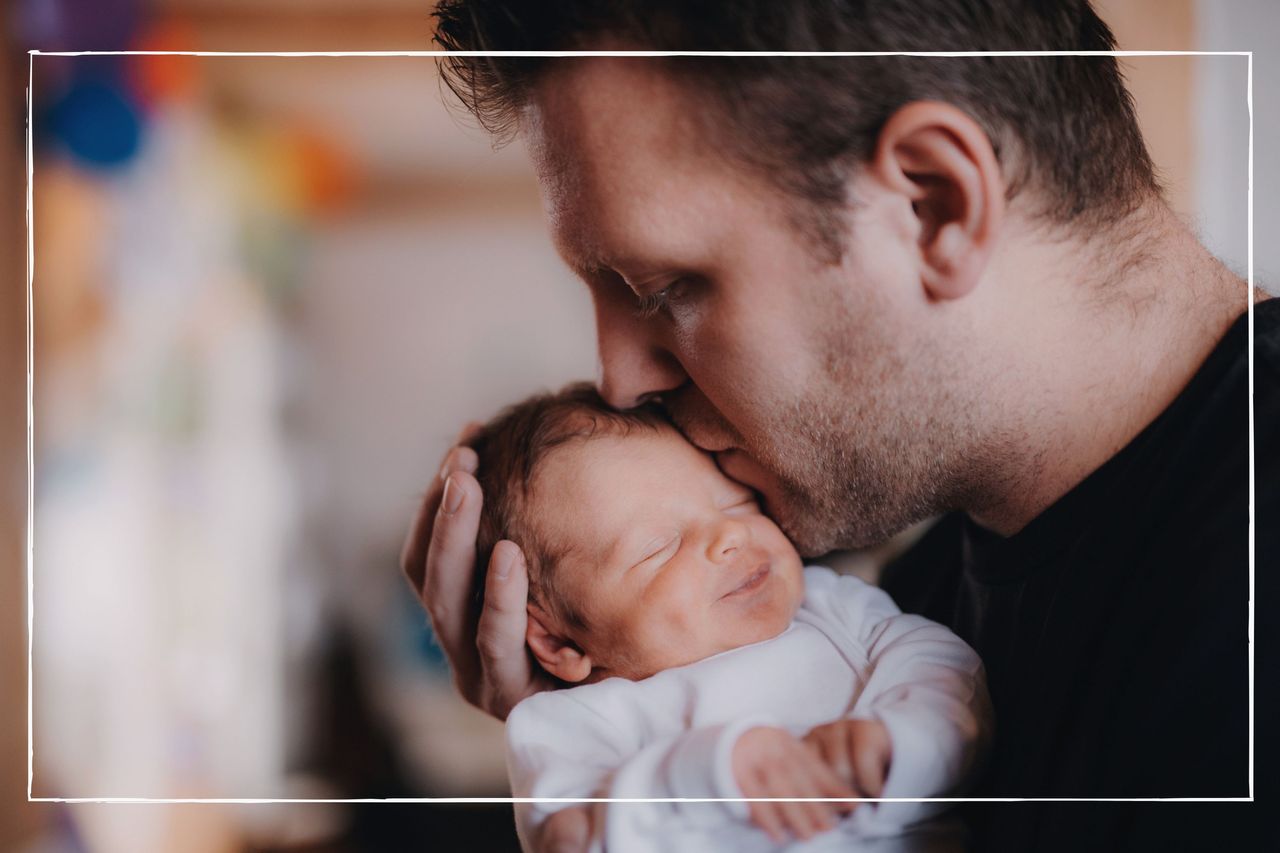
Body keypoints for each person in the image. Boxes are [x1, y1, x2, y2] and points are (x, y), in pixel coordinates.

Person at [400, 2, 1275, 850]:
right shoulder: (920, 604)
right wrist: (620, 742)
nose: (620, 382)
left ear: (933, 204)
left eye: (667, 289)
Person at [464, 383, 990, 852]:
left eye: (737, 503)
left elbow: (944, 669)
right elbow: (568, 835)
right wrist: (709, 770)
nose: (729, 535)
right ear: (561, 642)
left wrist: (900, 740)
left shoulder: (834, 606)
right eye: (659, 548)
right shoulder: (572, 722)